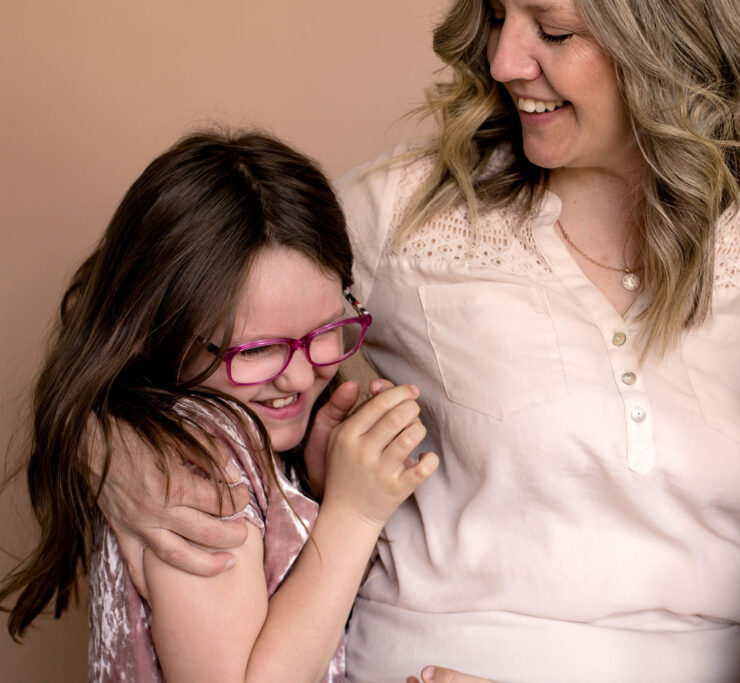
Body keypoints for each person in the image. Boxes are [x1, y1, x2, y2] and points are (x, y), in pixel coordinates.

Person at [88, 1, 740, 681]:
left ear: (671, 35)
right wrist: (110, 442)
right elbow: (184, 310)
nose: (504, 58)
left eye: (555, 29)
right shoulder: (410, 215)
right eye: (499, 16)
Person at [0, 131, 437, 682]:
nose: (302, 376)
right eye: (256, 350)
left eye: (327, 330)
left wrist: (316, 497)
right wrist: (354, 516)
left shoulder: (232, 434)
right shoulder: (195, 473)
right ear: (160, 333)